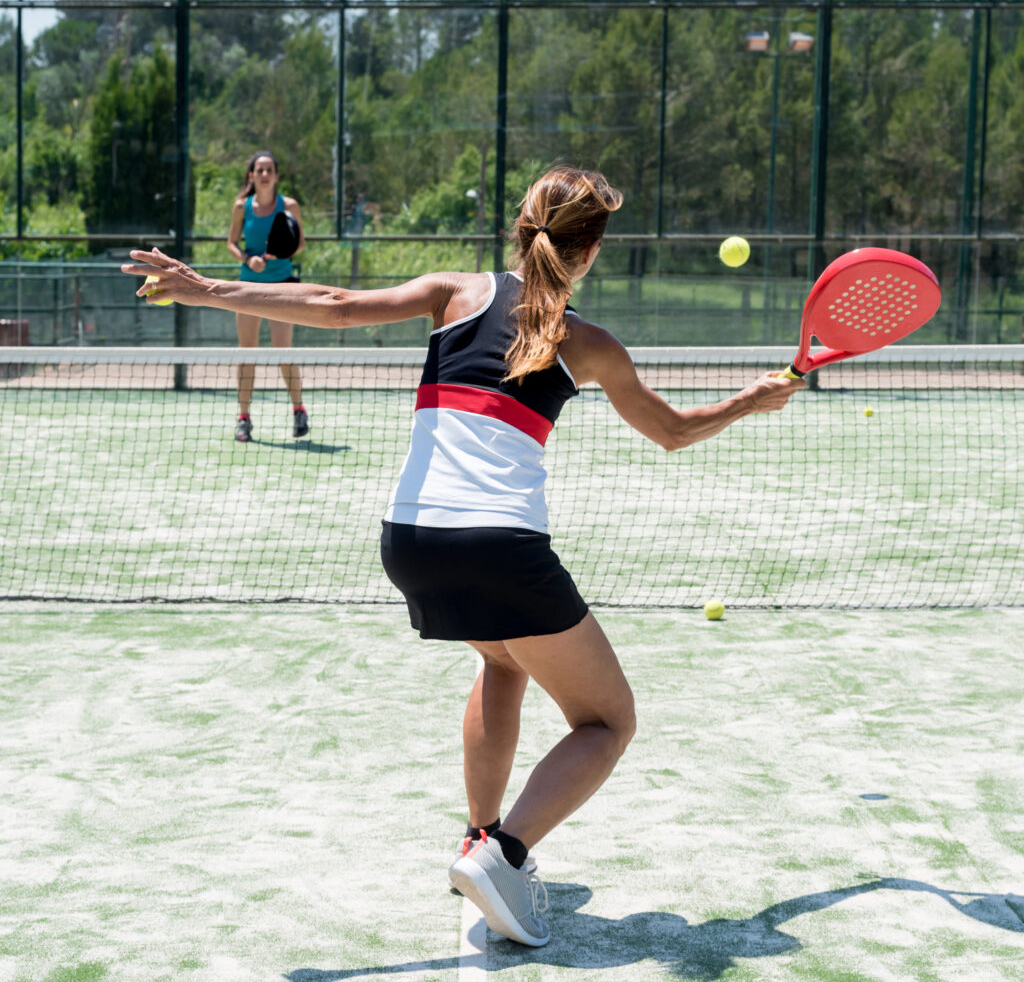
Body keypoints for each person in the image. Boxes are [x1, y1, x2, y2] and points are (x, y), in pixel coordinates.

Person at [123, 166, 803, 948]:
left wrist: (205, 289)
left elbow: (335, 305)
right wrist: (752, 400)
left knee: (505, 662)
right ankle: (506, 853)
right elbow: (675, 432)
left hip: (409, 539)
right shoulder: (590, 344)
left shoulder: (457, 291)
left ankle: (477, 835)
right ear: (589, 253)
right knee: (608, 720)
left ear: (521, 230)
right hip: (497, 544)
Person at [226, 150, 308, 442]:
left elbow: (299, 245)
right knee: (247, 354)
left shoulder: (290, 206)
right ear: (251, 176)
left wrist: (278, 253)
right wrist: (249, 259)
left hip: (282, 288)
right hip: (248, 288)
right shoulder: (241, 207)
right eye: (259, 170)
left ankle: (299, 410)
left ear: (276, 176)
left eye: (269, 170)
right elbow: (232, 244)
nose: (263, 174)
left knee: (283, 352)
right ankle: (244, 418)